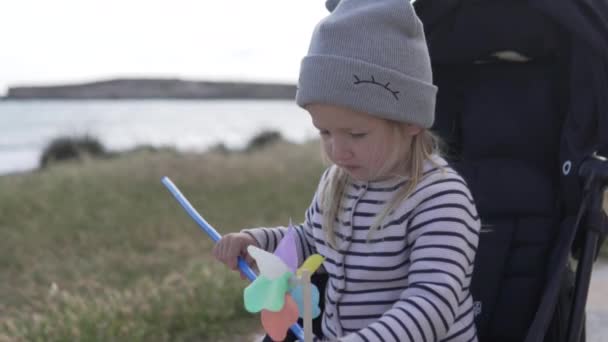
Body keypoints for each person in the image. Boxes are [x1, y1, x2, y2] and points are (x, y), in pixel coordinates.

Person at [213, 0, 480, 341]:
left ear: (411, 121)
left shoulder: (440, 199)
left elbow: (432, 304)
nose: (337, 151)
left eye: (356, 134)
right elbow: (312, 244)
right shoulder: (338, 182)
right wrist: (257, 243)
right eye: (324, 132)